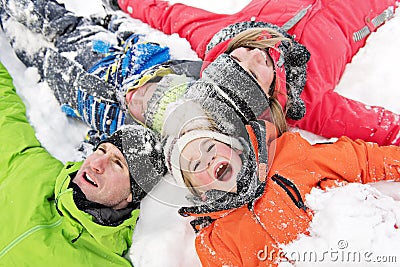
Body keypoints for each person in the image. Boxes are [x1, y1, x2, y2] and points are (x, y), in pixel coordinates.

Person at [116, 0, 400, 146]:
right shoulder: (308, 104)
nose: (253, 55)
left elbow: (170, 16)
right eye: (254, 74)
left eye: (236, 61)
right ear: (266, 98)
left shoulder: (220, 38)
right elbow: (386, 129)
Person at [161, 112, 400, 266]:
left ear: (234, 147)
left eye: (210, 146)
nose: (209, 159)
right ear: (200, 192)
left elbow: (362, 159)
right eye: (196, 165)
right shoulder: (218, 242)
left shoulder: (289, 157)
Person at [0, 61, 166, 265]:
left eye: (117, 164)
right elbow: (5, 116)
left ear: (132, 194)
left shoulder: (103, 261)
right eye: (101, 150)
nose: (97, 164)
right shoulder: (33, 167)